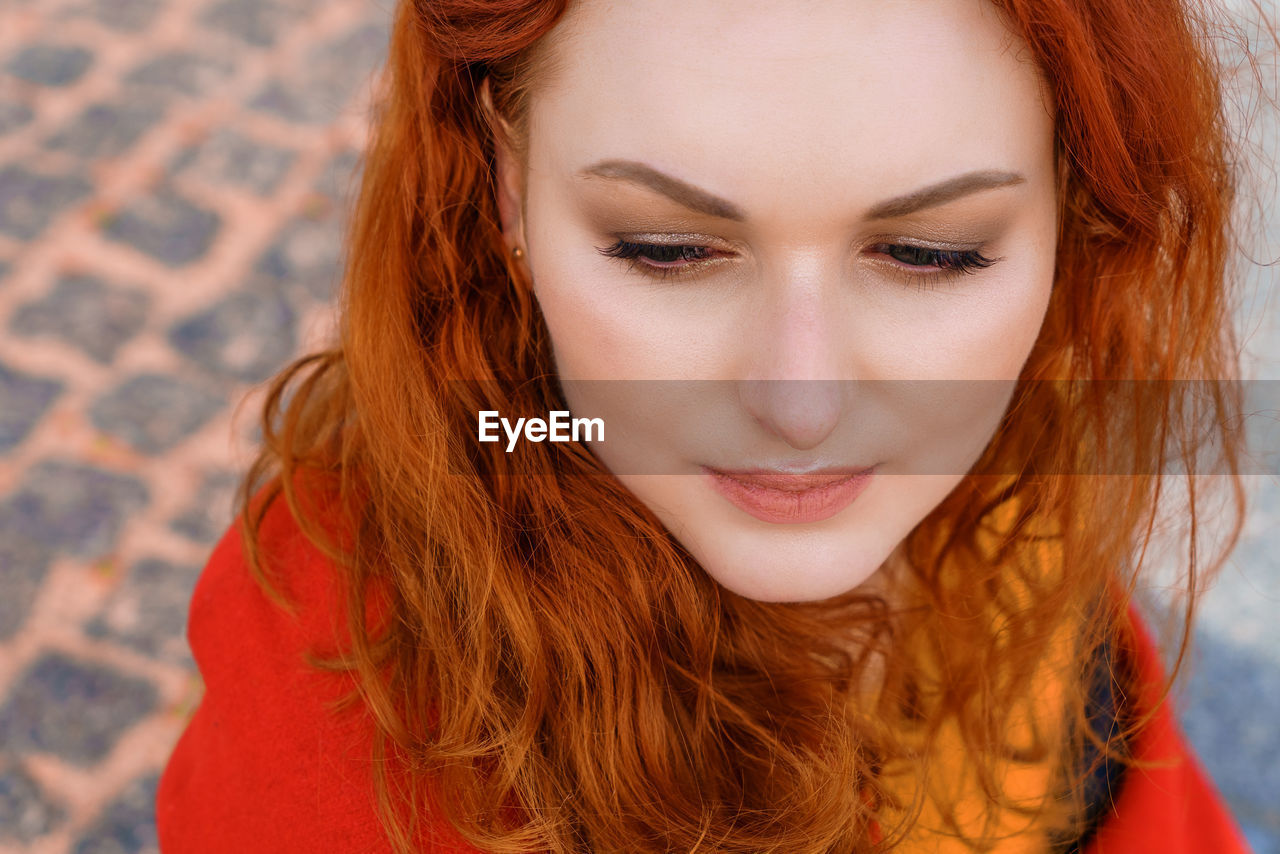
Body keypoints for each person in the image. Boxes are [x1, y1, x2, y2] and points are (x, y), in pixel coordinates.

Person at [154, 0, 1269, 851]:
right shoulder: (331, 712)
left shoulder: (1014, 494)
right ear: (505, 183)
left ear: (1070, 209)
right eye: (664, 249)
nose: (799, 403)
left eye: (929, 254)